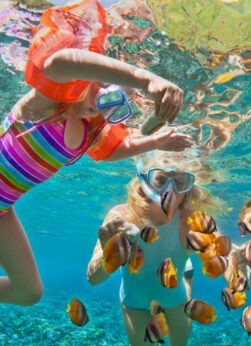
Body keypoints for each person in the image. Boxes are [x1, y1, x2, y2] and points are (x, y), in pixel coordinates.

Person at [0, 0, 194, 307]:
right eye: (107, 86)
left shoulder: (89, 129)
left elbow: (116, 149)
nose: (107, 100)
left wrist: (155, 141)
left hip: (2, 209)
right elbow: (60, 61)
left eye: (119, 103)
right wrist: (146, 80)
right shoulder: (50, 101)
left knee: (29, 293)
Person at [86, 152, 226, 346]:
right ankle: (183, 273)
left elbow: (221, 253)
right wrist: (107, 254)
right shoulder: (122, 216)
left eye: (179, 182)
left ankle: (187, 281)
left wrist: (238, 260)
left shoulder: (191, 219)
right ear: (144, 180)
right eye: (160, 180)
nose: (168, 190)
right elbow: (93, 279)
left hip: (175, 295)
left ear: (188, 189)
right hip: (134, 301)